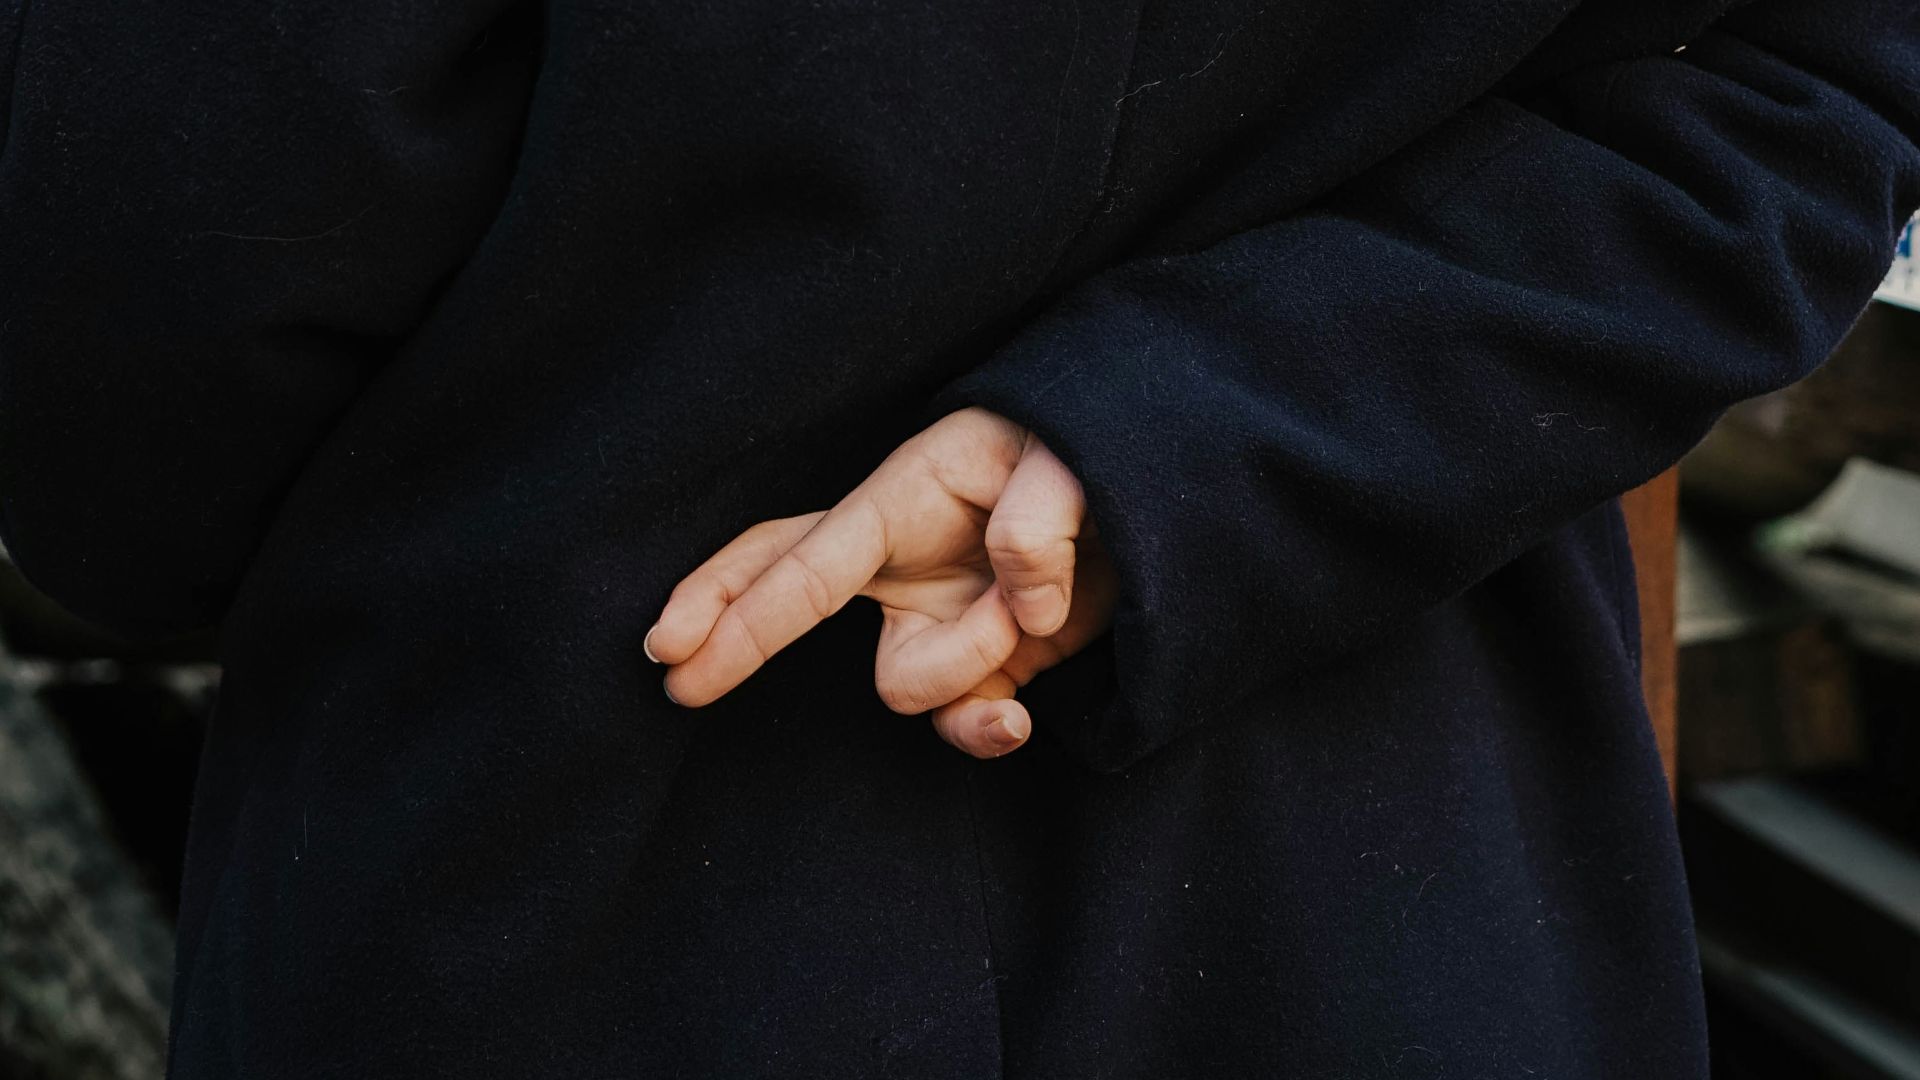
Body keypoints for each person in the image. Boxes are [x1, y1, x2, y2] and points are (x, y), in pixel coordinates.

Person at [1, 0, 1914, 1075]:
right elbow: (1794, 89)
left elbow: (145, 376)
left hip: (573, 901)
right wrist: (1217, 432)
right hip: (1408, 915)